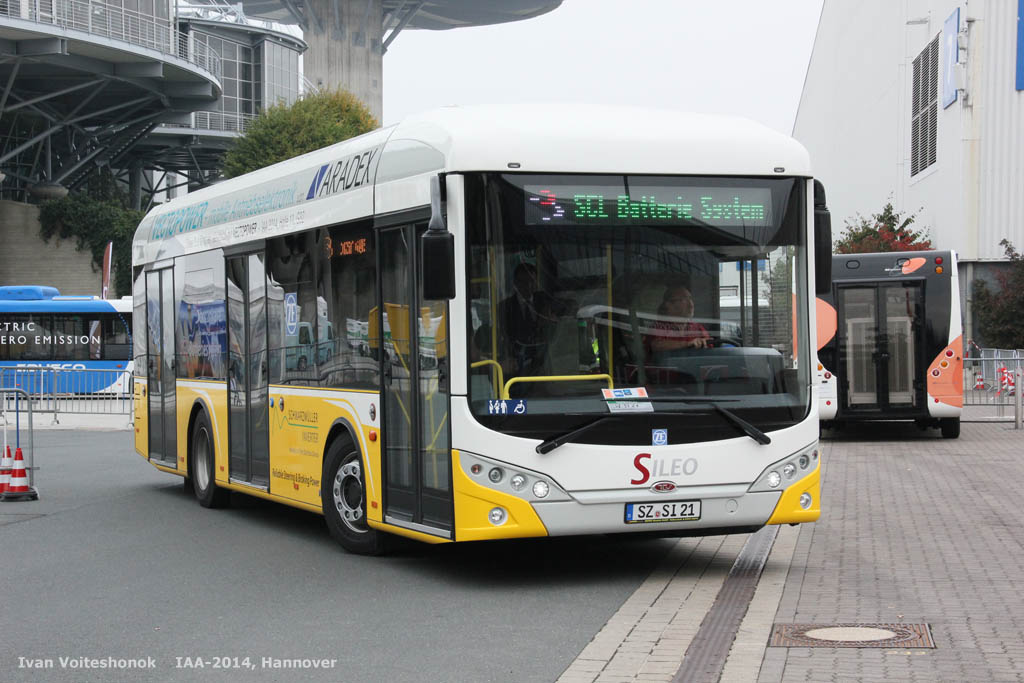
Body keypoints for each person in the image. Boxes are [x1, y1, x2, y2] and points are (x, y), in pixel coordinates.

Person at [499, 263, 554, 376]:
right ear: (515, 283)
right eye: (523, 282)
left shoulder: (544, 299)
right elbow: (504, 336)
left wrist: (549, 318)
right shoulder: (505, 306)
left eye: (532, 281)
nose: (528, 286)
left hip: (544, 359)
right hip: (518, 363)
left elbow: (571, 304)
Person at [646, 284, 710, 353]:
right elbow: (657, 345)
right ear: (669, 304)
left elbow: (710, 345)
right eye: (684, 299)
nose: (691, 304)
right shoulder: (658, 327)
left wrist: (705, 343)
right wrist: (688, 343)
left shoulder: (697, 327)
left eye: (690, 299)